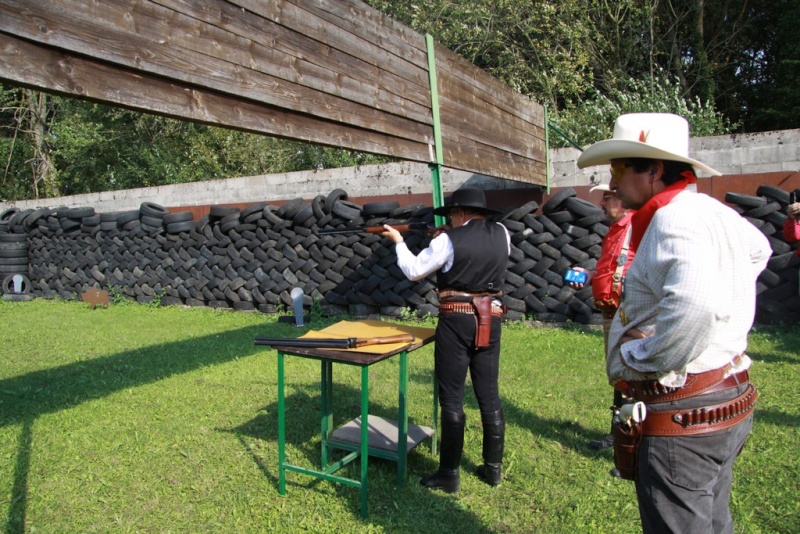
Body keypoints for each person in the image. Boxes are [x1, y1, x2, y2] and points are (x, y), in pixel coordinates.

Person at [577, 113, 771, 533]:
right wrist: (724, 305)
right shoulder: (708, 210)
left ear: (654, 170)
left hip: (684, 411)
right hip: (722, 395)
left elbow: (695, 307)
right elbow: (759, 250)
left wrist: (640, 355)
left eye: (618, 168)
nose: (612, 183)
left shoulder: (673, 218)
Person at [381, 188, 511, 493]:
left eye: (452, 215)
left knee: (452, 398)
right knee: (489, 396)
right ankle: (493, 469)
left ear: (461, 214)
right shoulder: (502, 233)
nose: (450, 219)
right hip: (491, 316)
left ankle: (449, 474)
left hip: (458, 319)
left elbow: (414, 271)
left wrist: (399, 243)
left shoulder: (446, 240)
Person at [568, 183, 635, 454]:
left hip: (630, 315)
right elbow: (612, 268)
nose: (602, 204)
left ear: (623, 198)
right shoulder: (615, 232)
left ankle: (633, 443)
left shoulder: (638, 228)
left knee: (633, 378)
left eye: (607, 198)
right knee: (620, 376)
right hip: (614, 313)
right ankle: (619, 433)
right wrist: (590, 275)